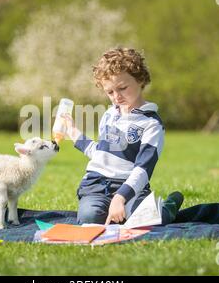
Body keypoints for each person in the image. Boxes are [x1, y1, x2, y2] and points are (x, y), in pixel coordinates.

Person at [62, 47, 184, 225]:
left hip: (131, 187)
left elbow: (143, 169)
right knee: (90, 219)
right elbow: (101, 154)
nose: (116, 97)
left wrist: (120, 198)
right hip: (96, 186)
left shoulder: (152, 124)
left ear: (140, 80)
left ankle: (169, 205)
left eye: (122, 88)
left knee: (151, 221)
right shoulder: (109, 115)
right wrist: (73, 132)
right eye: (110, 92)